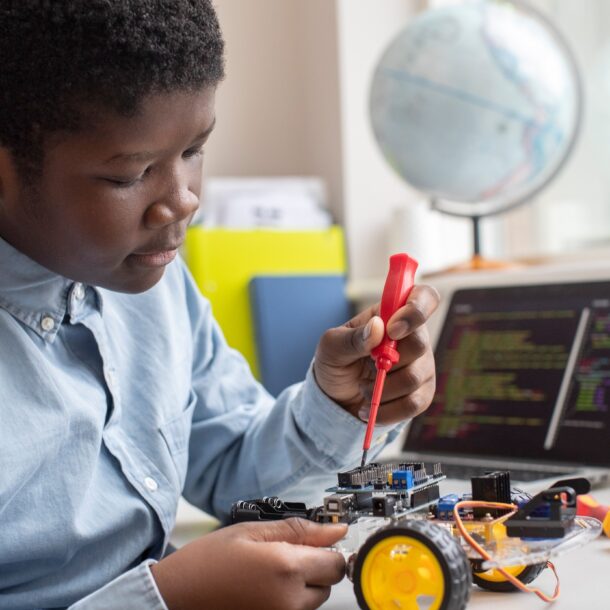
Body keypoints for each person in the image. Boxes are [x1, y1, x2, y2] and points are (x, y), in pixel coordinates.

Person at [0, 2, 440, 609]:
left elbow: (235, 471)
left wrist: (341, 402)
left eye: (194, 149)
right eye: (130, 176)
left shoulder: (154, 285)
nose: (181, 202)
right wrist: (169, 599)